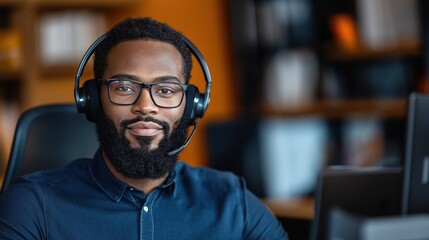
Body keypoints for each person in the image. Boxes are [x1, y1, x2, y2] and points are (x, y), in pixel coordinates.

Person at [0, 17, 288, 239]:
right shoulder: (33, 205)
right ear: (92, 100)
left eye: (165, 89)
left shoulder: (232, 201)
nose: (146, 106)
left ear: (191, 106)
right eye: (124, 87)